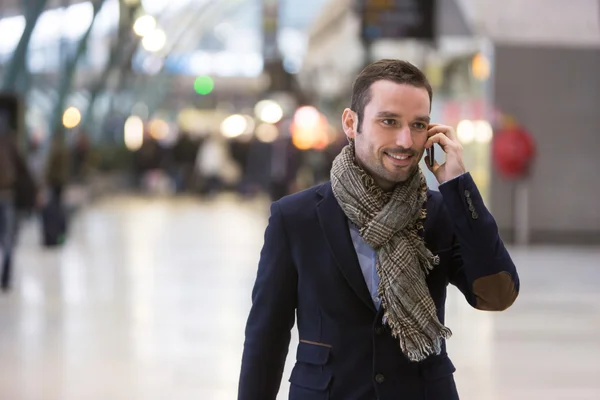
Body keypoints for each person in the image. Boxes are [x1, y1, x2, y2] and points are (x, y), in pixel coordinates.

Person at [237, 59, 520, 400]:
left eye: (418, 125)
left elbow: (498, 295)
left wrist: (459, 187)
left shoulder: (442, 211)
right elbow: (266, 338)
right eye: (389, 121)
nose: (405, 140)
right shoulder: (295, 218)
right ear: (351, 123)